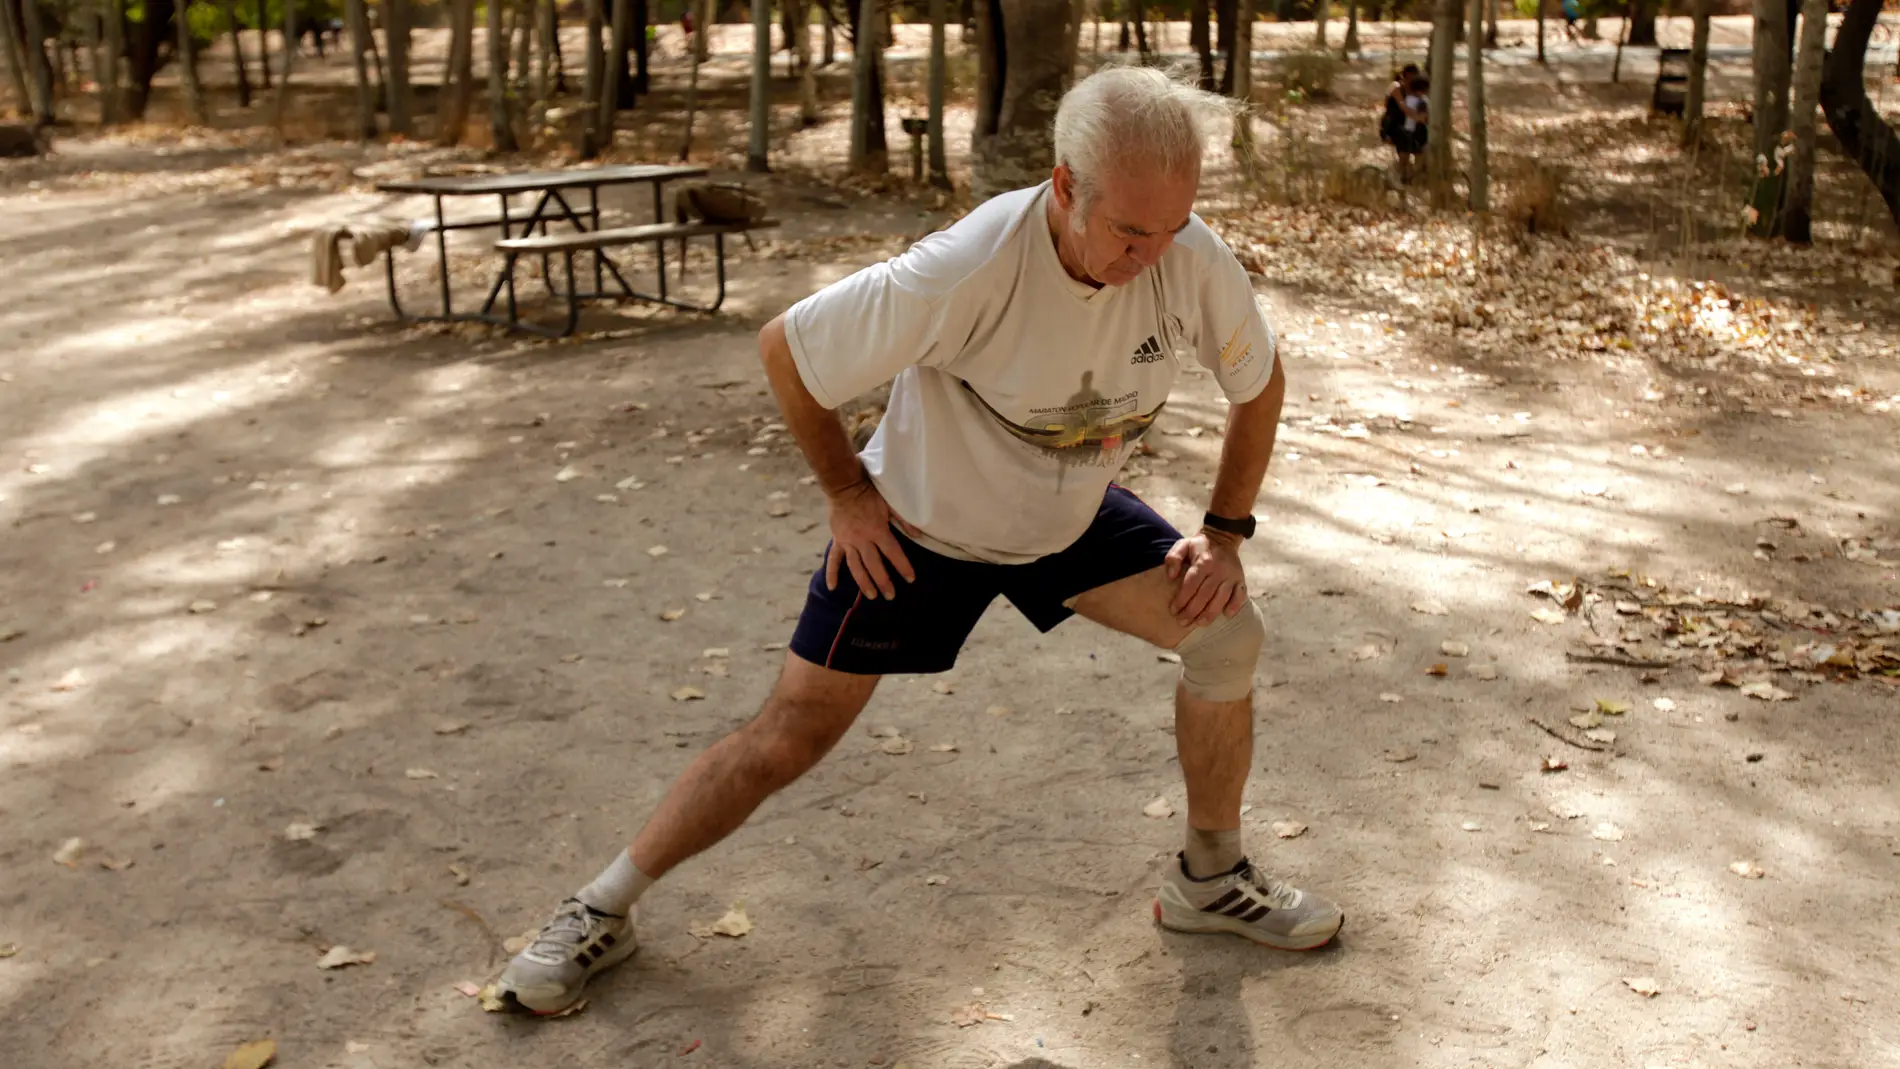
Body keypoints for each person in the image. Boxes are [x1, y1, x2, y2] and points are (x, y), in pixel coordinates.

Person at [491, 66, 1345, 1017]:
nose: (1154, 253)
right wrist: (849, 494)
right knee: (790, 733)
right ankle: (600, 905)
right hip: (921, 529)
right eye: (1130, 232)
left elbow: (1257, 383)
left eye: (1174, 226)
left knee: (1226, 634)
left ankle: (1209, 878)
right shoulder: (969, 265)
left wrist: (1224, 534)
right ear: (1066, 187)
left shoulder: (1185, 253)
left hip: (1068, 511)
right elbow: (790, 349)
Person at [1379, 66, 1428, 182]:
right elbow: (1403, 108)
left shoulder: (1417, 91)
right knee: (1404, 138)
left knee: (1421, 139)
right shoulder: (1396, 87)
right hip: (1394, 125)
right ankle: (1400, 175)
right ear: (1404, 77)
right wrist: (1417, 117)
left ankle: (1415, 175)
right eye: (1409, 78)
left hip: (1411, 125)